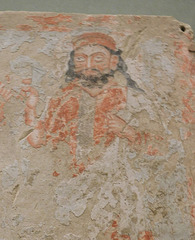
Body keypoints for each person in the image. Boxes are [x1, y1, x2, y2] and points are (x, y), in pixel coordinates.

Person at [24, 32, 143, 173]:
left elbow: (162, 147)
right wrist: (31, 109)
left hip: (114, 182)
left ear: (113, 61)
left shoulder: (133, 99)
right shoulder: (61, 98)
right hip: (64, 178)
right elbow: (41, 143)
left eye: (98, 58)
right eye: (80, 59)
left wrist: (128, 131)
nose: (88, 65)